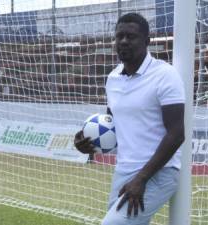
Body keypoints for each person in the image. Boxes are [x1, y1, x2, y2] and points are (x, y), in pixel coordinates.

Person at [74, 12, 185, 225]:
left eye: (131, 37)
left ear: (146, 41)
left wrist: (142, 178)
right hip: (123, 170)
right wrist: (88, 142)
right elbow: (112, 124)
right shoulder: (113, 78)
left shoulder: (165, 75)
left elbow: (177, 133)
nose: (124, 41)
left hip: (158, 173)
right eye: (120, 36)